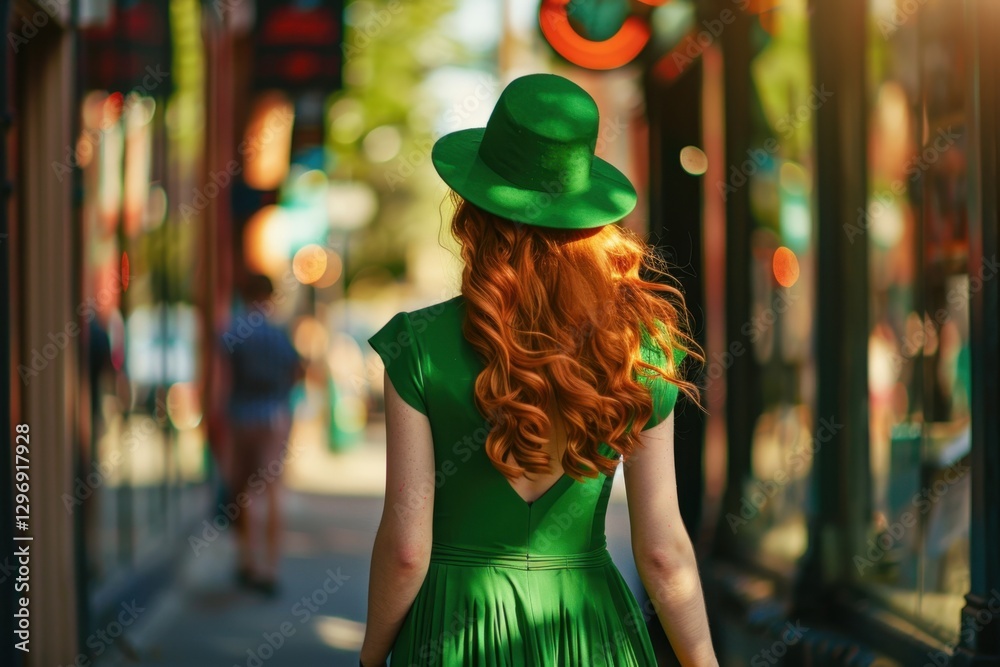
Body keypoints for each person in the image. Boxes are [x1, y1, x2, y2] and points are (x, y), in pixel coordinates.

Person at [360, 73, 718, 666]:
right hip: (586, 629)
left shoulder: (417, 347)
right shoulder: (640, 352)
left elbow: (405, 551)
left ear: (473, 212)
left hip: (456, 630)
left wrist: (372, 657)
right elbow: (662, 552)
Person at [221, 273, 303, 596]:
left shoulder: (233, 331)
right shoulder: (281, 332)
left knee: (246, 491)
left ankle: (248, 562)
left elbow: (221, 381)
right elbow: (297, 372)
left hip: (242, 416)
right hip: (275, 416)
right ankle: (271, 568)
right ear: (269, 296)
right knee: (272, 491)